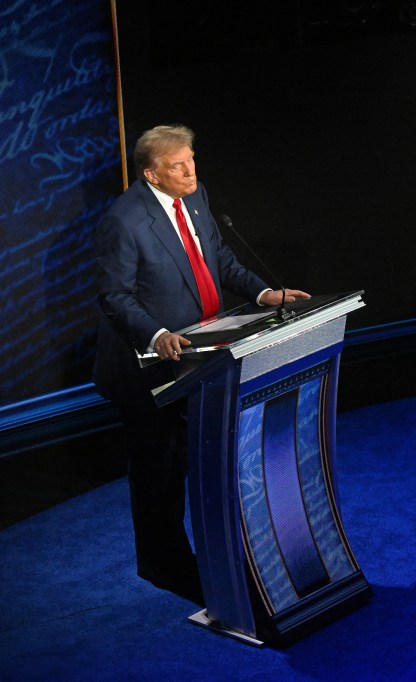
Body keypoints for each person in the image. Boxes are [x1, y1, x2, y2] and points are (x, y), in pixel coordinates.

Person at [92, 125, 309, 604]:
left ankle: (215, 553)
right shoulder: (124, 222)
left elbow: (218, 259)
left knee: (196, 457)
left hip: (202, 356)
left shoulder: (195, 195)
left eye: (192, 160)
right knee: (160, 469)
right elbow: (114, 296)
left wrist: (263, 292)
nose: (191, 171)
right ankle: (161, 563)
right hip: (150, 366)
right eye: (178, 166)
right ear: (152, 173)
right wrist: (156, 334)